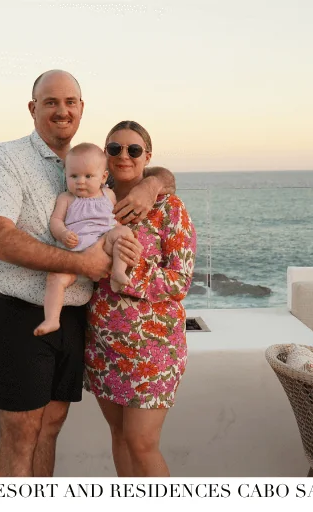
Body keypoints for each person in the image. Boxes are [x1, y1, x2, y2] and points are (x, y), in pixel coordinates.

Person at [0, 70, 175, 477]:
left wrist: (153, 186)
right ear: (33, 108)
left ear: (81, 109)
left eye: (71, 102)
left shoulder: (88, 162)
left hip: (73, 317)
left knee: (50, 427)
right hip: (15, 315)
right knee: (22, 431)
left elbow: (154, 170)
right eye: (50, 102)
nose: (62, 111)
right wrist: (82, 264)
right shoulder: (5, 158)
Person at [84, 120, 196, 478]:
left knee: (142, 442)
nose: (123, 156)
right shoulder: (92, 199)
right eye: (114, 148)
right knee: (119, 435)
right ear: (105, 154)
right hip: (102, 345)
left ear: (147, 156)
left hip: (153, 349)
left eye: (134, 150)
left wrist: (125, 273)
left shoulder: (169, 208)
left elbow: (179, 280)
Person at [34, 143, 134, 337]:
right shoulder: (66, 198)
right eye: (74, 176)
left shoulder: (109, 194)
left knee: (124, 233)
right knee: (55, 279)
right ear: (66, 175)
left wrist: (117, 233)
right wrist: (62, 233)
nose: (80, 181)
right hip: (75, 256)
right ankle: (52, 319)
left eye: (88, 176)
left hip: (104, 245)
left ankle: (117, 272)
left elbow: (115, 220)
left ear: (103, 177)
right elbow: (55, 221)